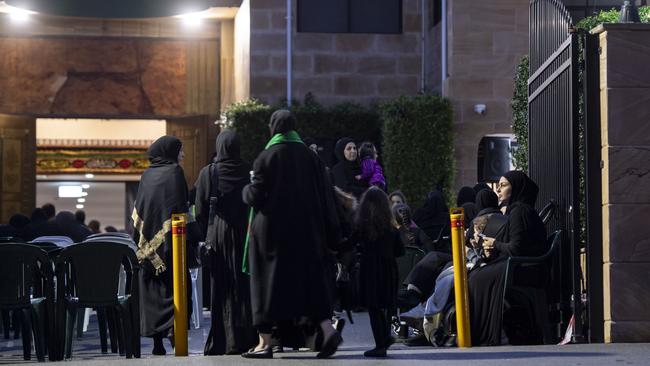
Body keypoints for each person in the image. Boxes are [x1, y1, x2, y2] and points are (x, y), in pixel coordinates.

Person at [241, 110, 342, 359]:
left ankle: (265, 343)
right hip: (308, 232)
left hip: (272, 235)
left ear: (273, 128)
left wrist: (245, 191)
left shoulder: (266, 156)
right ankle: (328, 330)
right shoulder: (311, 157)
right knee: (311, 283)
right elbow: (326, 195)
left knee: (266, 285)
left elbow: (256, 196)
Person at [468, 170, 548, 346]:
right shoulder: (517, 211)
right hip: (519, 265)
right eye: (498, 186)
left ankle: (485, 333)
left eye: (503, 185)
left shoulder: (520, 211)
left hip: (524, 268)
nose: (498, 190)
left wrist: (494, 243)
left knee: (476, 278)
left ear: (516, 188)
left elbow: (516, 248)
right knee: (475, 275)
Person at [194, 130, 256, 355]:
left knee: (220, 286)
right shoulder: (248, 170)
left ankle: (222, 341)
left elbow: (200, 210)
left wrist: (205, 234)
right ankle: (247, 338)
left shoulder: (209, 172)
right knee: (245, 286)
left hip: (218, 233)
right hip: (246, 234)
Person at [132, 135, 189, 355]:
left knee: (153, 294)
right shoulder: (175, 172)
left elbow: (139, 211)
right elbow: (180, 206)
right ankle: (175, 335)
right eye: (180, 150)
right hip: (172, 245)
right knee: (174, 290)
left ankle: (157, 343)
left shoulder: (146, 175)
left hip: (148, 249)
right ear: (170, 151)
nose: (182, 155)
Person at [355, 187, 404, 357]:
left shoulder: (363, 226)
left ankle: (380, 343)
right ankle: (384, 338)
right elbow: (400, 251)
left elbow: (350, 244)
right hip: (389, 269)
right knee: (384, 306)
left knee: (373, 308)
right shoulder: (392, 228)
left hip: (370, 269)